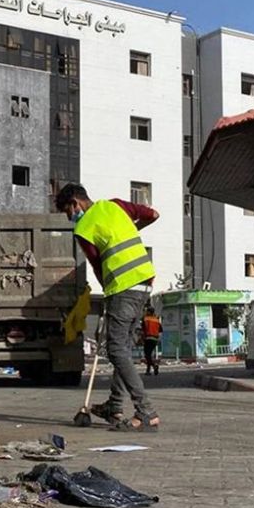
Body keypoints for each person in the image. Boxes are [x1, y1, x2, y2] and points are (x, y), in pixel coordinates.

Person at [55, 183, 161, 431]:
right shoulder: (115, 205)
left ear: (75, 203)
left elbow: (97, 265)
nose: (70, 217)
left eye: (67, 212)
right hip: (145, 282)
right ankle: (114, 406)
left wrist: (108, 293)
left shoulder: (84, 227)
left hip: (123, 288)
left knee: (115, 350)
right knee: (122, 347)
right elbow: (153, 215)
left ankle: (146, 412)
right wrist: (132, 231)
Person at [142, 306, 162, 376]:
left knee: (147, 355)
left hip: (148, 338)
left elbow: (142, 328)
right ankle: (148, 370)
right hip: (155, 339)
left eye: (147, 311)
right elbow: (160, 330)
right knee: (149, 355)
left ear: (149, 312)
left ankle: (154, 366)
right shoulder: (156, 319)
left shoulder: (145, 319)